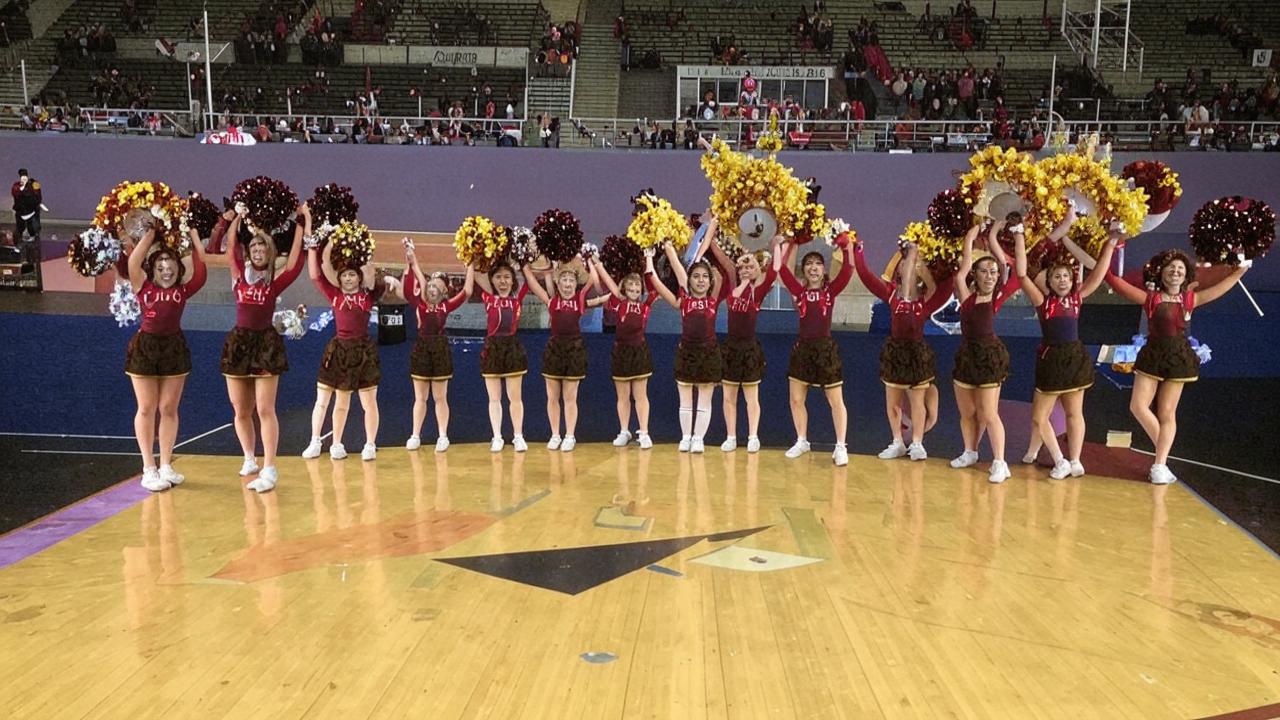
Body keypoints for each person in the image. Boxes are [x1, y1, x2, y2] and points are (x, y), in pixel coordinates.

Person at [1106, 250, 1249, 484]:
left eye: (1180, 269)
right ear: (1162, 273)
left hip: (1179, 357)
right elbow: (1115, 282)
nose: (1175, 271)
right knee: (1138, 406)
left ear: (1186, 276)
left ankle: (1159, 464)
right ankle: (1163, 452)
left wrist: (1240, 271)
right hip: (1152, 354)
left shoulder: (1190, 300)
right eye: (1171, 268)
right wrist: (1105, 258)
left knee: (1166, 413)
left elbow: (1222, 287)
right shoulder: (1150, 298)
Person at [1014, 222, 1117, 480]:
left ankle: (1075, 460)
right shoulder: (1042, 301)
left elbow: (1100, 272)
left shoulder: (1077, 299)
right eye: (1057, 276)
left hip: (1075, 360)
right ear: (1049, 281)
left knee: (1074, 413)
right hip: (1051, 360)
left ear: (1072, 281)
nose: (1062, 280)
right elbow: (1022, 275)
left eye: (1066, 277)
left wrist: (1112, 242)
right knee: (1040, 417)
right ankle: (1059, 460)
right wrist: (1018, 236)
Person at [221, 203, 307, 493]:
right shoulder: (237, 276)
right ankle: (249, 458)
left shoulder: (274, 284)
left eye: (263, 249)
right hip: (239, 344)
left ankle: (270, 467)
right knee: (240, 409)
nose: (258, 253)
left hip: (266, 345)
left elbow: (295, 263)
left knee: (265, 409)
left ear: (269, 255)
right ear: (249, 253)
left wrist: (301, 223)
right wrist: (238, 217)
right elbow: (230, 245)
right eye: (254, 249)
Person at [853, 241, 954, 461]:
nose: (910, 266)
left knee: (918, 402)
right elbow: (866, 277)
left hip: (917, 354)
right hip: (895, 354)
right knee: (893, 403)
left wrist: (947, 255)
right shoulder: (890, 296)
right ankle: (897, 441)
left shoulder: (927, 301)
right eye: (906, 262)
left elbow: (947, 287)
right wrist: (857, 251)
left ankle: (917, 443)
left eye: (915, 263)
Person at [126, 224, 207, 491]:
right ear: (153, 269)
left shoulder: (183, 291)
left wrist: (193, 236)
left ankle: (166, 465)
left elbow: (202, 273)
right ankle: (148, 468)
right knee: (147, 407)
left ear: (177, 268)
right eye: (160, 265)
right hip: (145, 349)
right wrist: (151, 233)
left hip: (174, 348)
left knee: (169, 408)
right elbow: (133, 262)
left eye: (170, 265)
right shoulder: (142, 286)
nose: (166, 270)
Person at [301, 240, 386, 462]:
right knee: (324, 400)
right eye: (344, 275)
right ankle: (319, 441)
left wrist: (363, 248)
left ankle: (369, 444)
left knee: (368, 403)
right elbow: (316, 274)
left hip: (363, 353)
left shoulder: (369, 295)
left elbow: (370, 271)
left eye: (352, 274)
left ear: (359, 278)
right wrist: (325, 246)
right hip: (337, 351)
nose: (348, 278)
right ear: (339, 278)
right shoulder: (335, 294)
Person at [950, 223, 1020, 483]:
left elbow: (1008, 271)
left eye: (992, 272)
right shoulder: (967, 296)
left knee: (989, 413)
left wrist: (992, 237)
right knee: (968, 412)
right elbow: (962, 270)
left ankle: (1000, 462)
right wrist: (970, 236)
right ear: (976, 275)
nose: (989, 275)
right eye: (984, 271)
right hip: (967, 356)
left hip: (989, 357)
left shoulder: (998, 296)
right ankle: (970, 451)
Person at [778, 232, 855, 465]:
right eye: (808, 264)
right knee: (796, 399)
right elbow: (781, 270)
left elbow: (849, 270)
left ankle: (841, 446)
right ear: (804, 270)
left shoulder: (830, 292)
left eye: (818, 264)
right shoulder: (799, 293)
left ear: (824, 270)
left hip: (825, 350)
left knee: (835, 400)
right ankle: (802, 440)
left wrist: (845, 245)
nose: (813, 268)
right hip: (802, 350)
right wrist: (792, 243)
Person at [647, 238, 726, 453]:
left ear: (710, 282)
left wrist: (710, 234)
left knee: (704, 399)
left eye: (704, 277)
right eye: (696, 277)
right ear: (689, 281)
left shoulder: (714, 299)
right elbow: (678, 267)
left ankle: (698, 438)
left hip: (709, 353)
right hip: (686, 353)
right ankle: (686, 437)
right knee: (685, 400)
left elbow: (721, 270)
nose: (700, 281)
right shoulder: (684, 298)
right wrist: (670, 249)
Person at [706, 236, 780, 452]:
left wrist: (775, 246)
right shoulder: (732, 286)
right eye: (743, 266)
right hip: (730, 349)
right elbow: (724, 261)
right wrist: (710, 236)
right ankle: (731, 436)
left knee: (751, 397)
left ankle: (753, 436)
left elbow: (774, 271)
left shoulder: (759, 292)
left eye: (751, 266)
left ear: (758, 269)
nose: (746, 269)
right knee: (728, 397)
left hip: (749, 350)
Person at [521, 260, 603, 452]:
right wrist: (525, 267)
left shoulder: (580, 300)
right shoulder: (552, 301)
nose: (567, 284)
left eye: (571, 281)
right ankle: (555, 434)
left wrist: (590, 260)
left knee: (570, 397)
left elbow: (594, 279)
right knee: (552, 397)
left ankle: (570, 435)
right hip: (554, 351)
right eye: (564, 280)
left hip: (574, 351)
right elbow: (533, 284)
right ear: (558, 284)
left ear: (576, 285)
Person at [401, 239, 474, 453]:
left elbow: (468, 291)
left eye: (438, 287)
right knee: (420, 397)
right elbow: (415, 274)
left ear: (444, 293)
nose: (433, 288)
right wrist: (411, 258)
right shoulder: (420, 303)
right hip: (421, 349)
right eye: (431, 285)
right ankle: (415, 434)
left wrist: (470, 263)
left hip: (440, 349)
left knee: (440, 397)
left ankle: (443, 436)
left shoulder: (446, 305)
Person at [592, 255, 659, 449]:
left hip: (639, 352)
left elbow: (653, 285)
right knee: (622, 396)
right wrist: (596, 262)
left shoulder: (645, 306)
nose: (634, 291)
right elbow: (606, 283)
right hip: (620, 352)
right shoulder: (618, 303)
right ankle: (624, 430)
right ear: (624, 288)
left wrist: (648, 258)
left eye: (637, 289)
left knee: (640, 395)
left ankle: (644, 432)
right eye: (630, 288)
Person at [474, 261, 529, 452]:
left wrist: (522, 260)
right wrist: (480, 255)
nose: (503, 281)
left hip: (512, 348)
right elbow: (476, 273)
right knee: (494, 398)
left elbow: (529, 279)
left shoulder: (517, 297)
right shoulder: (488, 296)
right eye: (498, 277)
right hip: (492, 349)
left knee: (515, 397)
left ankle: (518, 436)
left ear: (513, 280)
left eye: (507, 277)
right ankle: (497, 436)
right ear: (492, 280)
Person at [11, 168, 48, 243]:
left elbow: (38, 194)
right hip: (21, 211)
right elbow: (15, 193)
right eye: (22, 176)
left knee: (34, 228)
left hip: (32, 210)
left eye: (25, 176)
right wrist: (22, 187)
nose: (24, 178)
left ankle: (34, 238)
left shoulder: (34, 183)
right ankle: (19, 243)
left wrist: (38, 202)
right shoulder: (16, 186)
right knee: (20, 228)